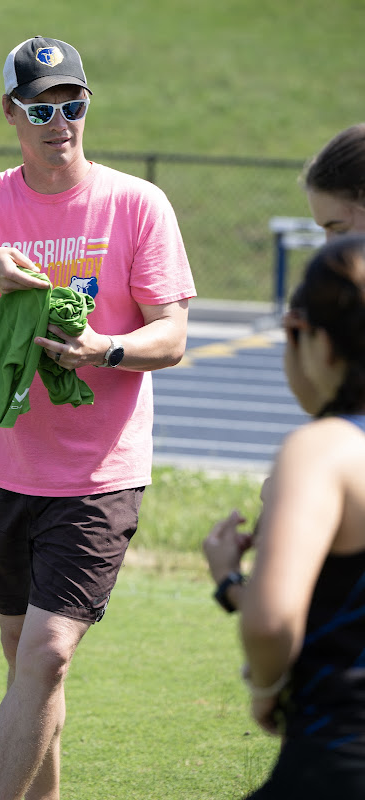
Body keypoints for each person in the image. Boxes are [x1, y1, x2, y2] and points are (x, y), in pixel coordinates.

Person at [0, 35, 196, 800]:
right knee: (26, 664)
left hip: (97, 476)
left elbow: (172, 335)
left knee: (49, 654)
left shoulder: (137, 203)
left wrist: (105, 349)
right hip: (0, 469)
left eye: (73, 104)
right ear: (10, 113)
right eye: (40, 108)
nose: (59, 121)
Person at [203, 233, 365, 799]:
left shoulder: (324, 451)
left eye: (292, 332)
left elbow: (271, 624)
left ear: (321, 342)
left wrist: (266, 686)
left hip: (339, 755)